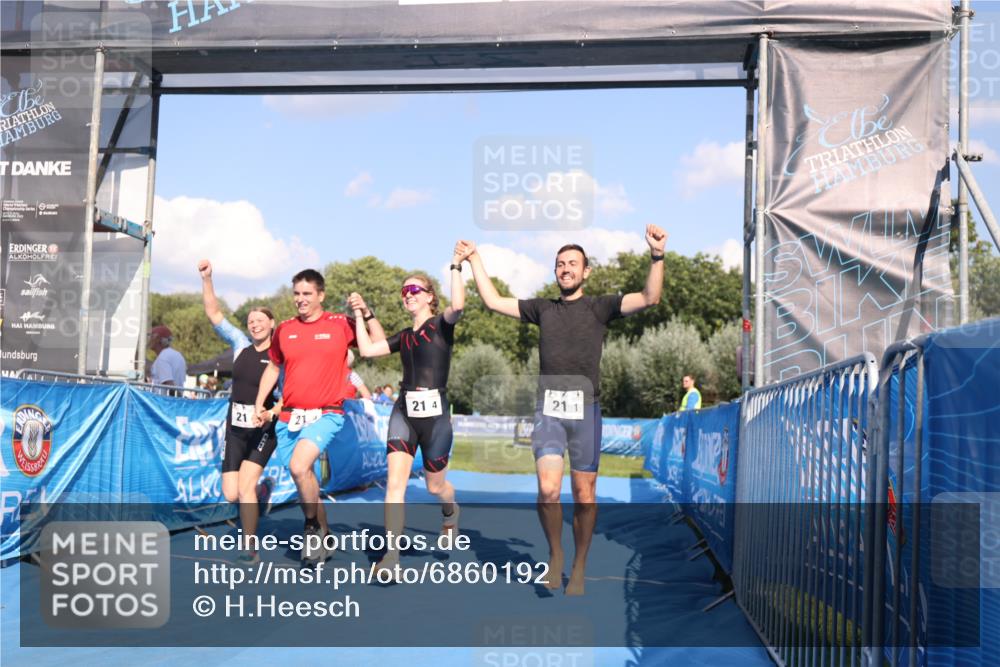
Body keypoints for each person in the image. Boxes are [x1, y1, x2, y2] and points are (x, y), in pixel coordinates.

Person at [460, 224, 667, 595]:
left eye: (573, 263)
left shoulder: (600, 307)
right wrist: (475, 258)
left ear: (586, 271)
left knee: (585, 495)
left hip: (586, 412)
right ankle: (556, 554)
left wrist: (657, 255)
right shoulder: (543, 309)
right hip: (549, 411)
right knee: (548, 490)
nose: (565, 268)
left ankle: (580, 563)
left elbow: (650, 297)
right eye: (560, 264)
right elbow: (493, 302)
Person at [254, 269, 384, 566]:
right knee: (304, 478)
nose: (300, 299)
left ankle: (311, 528)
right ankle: (324, 533)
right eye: (297, 294)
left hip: (327, 412)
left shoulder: (340, 324)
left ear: (321, 296)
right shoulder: (285, 329)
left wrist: (366, 311)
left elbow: (377, 341)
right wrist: (259, 403)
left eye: (307, 294)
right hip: (289, 417)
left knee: (300, 468)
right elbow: (273, 368)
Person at [350, 250, 467, 572]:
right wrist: (361, 315)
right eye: (404, 292)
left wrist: (456, 265)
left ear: (430, 296)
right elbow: (368, 350)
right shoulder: (405, 336)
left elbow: (458, 305)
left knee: (435, 487)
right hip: (404, 412)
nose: (408, 296)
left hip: (436, 417)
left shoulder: (441, 325)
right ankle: (391, 556)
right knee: (395, 485)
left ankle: (450, 510)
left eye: (414, 290)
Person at [199, 259, 280, 565]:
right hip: (235, 427)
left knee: (244, 489)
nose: (254, 324)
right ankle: (261, 491)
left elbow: (287, 397)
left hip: (263, 430)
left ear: (272, 324)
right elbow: (214, 314)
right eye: (251, 320)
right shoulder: (239, 344)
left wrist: (271, 413)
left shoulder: (279, 356)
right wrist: (208, 279)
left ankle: (250, 548)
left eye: (260, 320)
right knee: (231, 493)